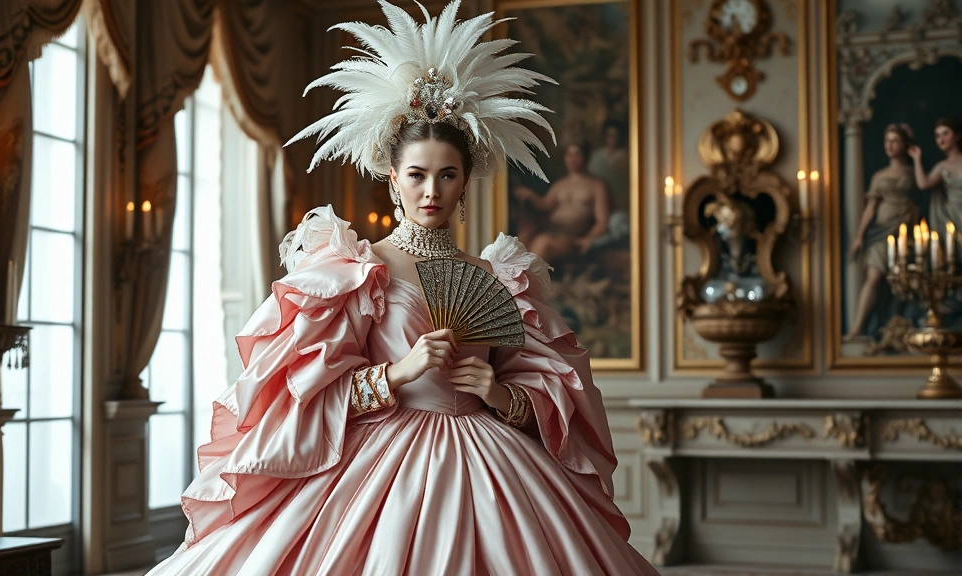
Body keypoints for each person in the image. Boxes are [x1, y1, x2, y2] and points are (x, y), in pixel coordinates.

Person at [145, 2, 658, 575]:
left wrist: (500, 394)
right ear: (393, 180)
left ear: (465, 182)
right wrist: (398, 372)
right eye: (416, 174)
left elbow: (554, 391)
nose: (430, 190)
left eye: (447, 175)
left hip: (496, 461)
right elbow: (303, 393)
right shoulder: (357, 270)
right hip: (378, 460)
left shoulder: (499, 279)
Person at [846, 123, 919, 339]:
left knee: (905, 281)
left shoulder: (913, 172)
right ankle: (857, 327)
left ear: (905, 144)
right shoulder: (879, 176)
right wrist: (859, 236)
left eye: (895, 140)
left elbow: (922, 196)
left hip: (905, 232)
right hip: (880, 231)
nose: (889, 145)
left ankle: (902, 323)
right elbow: (871, 208)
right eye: (887, 140)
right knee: (874, 277)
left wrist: (917, 159)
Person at [512, 141, 612, 264]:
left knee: (543, 243)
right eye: (569, 155)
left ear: (585, 157)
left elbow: (602, 221)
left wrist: (588, 239)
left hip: (573, 237)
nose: (572, 159)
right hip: (552, 231)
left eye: (576, 154)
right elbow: (545, 204)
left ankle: (530, 281)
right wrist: (530, 195)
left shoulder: (597, 185)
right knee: (522, 240)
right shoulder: (560, 184)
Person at [909, 116, 962, 241]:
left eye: (945, 134)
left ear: (957, 136)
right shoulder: (942, 166)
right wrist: (917, 159)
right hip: (953, 214)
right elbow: (923, 184)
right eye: (937, 136)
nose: (941, 139)